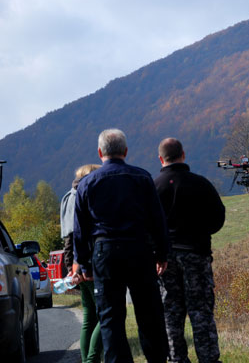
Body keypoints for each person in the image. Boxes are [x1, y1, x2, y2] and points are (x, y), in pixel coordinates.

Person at [73, 128, 170, 363]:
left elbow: (81, 229)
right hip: (139, 250)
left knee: (110, 318)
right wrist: (162, 253)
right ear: (126, 151)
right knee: (149, 314)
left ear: (99, 153)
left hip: (105, 253)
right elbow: (158, 219)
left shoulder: (87, 184)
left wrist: (82, 263)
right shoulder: (142, 178)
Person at [154, 137, 225, 363]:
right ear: (183, 155)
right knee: (201, 312)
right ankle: (208, 359)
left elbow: (146, 224)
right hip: (196, 254)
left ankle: (177, 359)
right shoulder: (201, 184)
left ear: (161, 159)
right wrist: (202, 232)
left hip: (165, 259)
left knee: (171, 315)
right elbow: (218, 218)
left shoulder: (154, 187)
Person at [60, 163, 102, 363]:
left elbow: (67, 237)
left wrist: (71, 267)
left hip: (77, 263)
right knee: (105, 315)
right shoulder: (85, 195)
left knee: (89, 318)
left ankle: (86, 359)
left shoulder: (67, 197)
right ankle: (91, 359)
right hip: (90, 263)